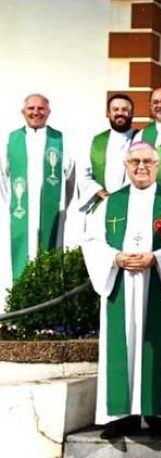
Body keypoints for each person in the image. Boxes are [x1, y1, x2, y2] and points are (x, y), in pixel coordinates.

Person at [80, 142, 161, 441]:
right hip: (121, 282)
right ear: (126, 165)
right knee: (122, 344)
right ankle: (122, 415)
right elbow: (91, 241)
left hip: (159, 281)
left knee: (158, 345)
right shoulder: (110, 203)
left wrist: (157, 258)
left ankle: (158, 413)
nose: (141, 167)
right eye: (135, 162)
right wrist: (114, 258)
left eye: (147, 162)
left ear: (158, 166)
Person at [1, 94, 77, 308]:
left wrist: (60, 208)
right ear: (23, 112)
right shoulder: (11, 139)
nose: (36, 112)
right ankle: (16, 311)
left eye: (41, 108)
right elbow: (2, 177)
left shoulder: (60, 140)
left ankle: (47, 312)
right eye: (31, 108)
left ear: (48, 112)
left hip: (51, 214)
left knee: (49, 257)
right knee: (19, 258)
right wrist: (14, 204)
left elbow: (70, 177)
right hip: (20, 212)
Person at [78, 94, 138, 210]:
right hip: (102, 204)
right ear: (108, 114)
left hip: (133, 205)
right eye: (115, 109)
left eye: (125, 109)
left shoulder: (141, 138)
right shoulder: (96, 141)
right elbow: (84, 174)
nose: (120, 113)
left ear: (131, 114)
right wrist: (99, 192)